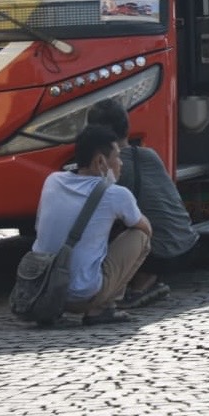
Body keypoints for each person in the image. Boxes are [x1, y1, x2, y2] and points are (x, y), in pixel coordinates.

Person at [32, 124, 152, 325]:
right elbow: (146, 228)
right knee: (140, 237)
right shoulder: (116, 194)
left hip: (43, 290)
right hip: (81, 296)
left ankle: (54, 311)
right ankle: (102, 308)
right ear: (100, 162)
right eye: (117, 157)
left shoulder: (52, 181)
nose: (121, 163)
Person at [85, 99, 199, 309]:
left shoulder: (111, 169)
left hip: (158, 254)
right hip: (186, 245)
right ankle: (147, 279)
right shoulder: (149, 154)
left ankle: (137, 288)